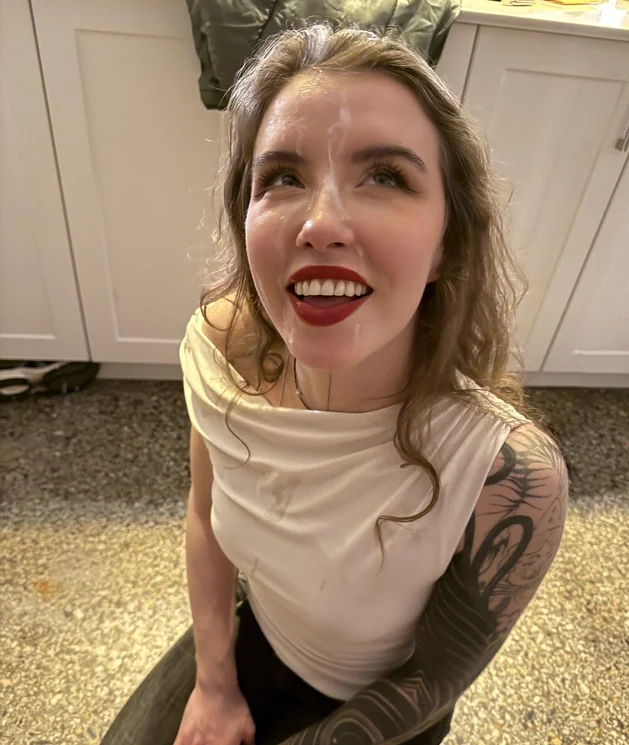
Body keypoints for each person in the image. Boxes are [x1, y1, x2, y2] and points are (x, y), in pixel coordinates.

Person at [101, 23, 569, 745]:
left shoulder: (507, 475)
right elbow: (205, 514)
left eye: (386, 177)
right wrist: (215, 683)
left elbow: (434, 678)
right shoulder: (220, 351)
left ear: (448, 243)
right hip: (251, 640)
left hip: (385, 706)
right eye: (282, 178)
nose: (320, 224)